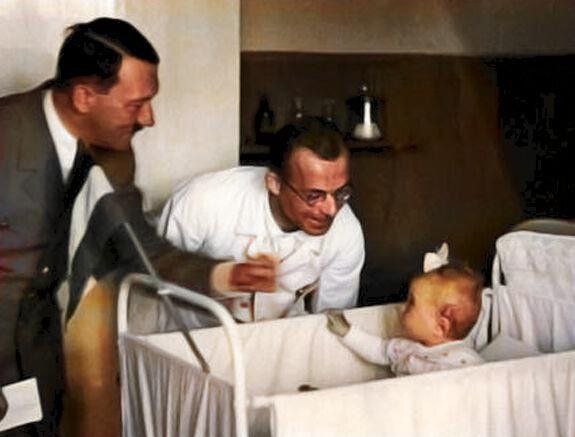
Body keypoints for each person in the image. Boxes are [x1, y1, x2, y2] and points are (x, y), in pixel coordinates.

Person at [0, 17, 273, 437]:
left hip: (36, 350)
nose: (149, 118)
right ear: (84, 97)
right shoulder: (7, 135)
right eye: (136, 104)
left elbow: (138, 246)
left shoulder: (113, 154)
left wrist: (226, 275)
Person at [159, 116, 365, 322]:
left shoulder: (346, 231)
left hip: (282, 335)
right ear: (274, 183)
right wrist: (223, 276)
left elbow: (333, 322)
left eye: (341, 193)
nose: (331, 210)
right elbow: (154, 274)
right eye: (313, 195)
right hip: (192, 334)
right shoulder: (203, 200)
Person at [327, 246, 484, 376]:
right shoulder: (405, 347)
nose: (402, 307)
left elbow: (485, 388)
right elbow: (379, 350)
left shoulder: (463, 364)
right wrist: (347, 332)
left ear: (440, 326)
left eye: (411, 303)